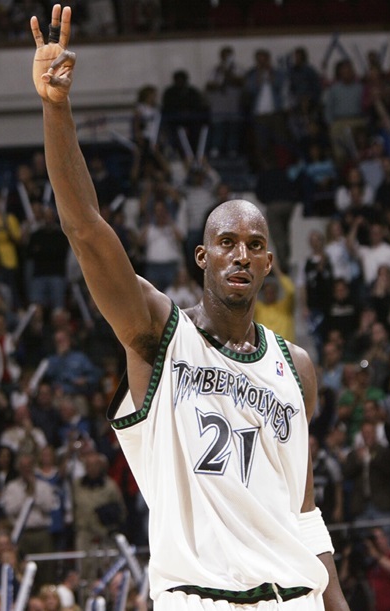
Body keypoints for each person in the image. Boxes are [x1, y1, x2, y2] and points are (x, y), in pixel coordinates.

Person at [30, 6, 346, 609]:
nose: (241, 255)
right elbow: (87, 229)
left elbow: (304, 512)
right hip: (197, 597)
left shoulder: (295, 364)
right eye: (227, 243)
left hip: (296, 597)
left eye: (255, 245)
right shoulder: (159, 334)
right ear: (202, 256)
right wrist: (56, 109)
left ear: (269, 264)